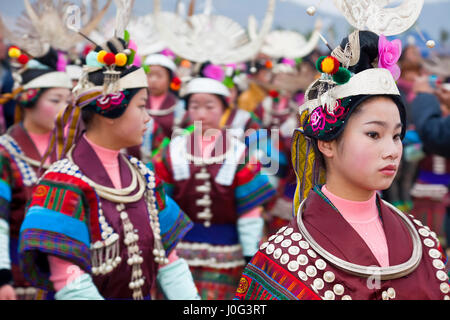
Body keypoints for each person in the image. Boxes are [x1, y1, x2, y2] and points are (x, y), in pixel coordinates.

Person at [235, 31, 448, 300]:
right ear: (327, 143)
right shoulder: (286, 257)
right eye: (373, 134)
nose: (392, 151)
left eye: (396, 136)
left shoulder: (424, 241)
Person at [18, 36, 199, 300]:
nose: (148, 117)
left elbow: (169, 261)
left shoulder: (144, 178)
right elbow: (69, 279)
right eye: (140, 106)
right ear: (109, 112)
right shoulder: (61, 184)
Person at [152, 77, 276, 299]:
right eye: (194, 106)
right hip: (177, 254)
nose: (201, 114)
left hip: (228, 255)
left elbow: (249, 212)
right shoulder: (171, 151)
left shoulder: (239, 152)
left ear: (223, 109)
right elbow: (160, 204)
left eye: (210, 106)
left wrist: (251, 256)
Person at [0, 46, 72, 300]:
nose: (65, 108)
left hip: (69, 278)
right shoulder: (5, 153)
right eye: (55, 100)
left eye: (68, 101)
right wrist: (2, 277)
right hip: (19, 278)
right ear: (29, 99)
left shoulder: (71, 151)